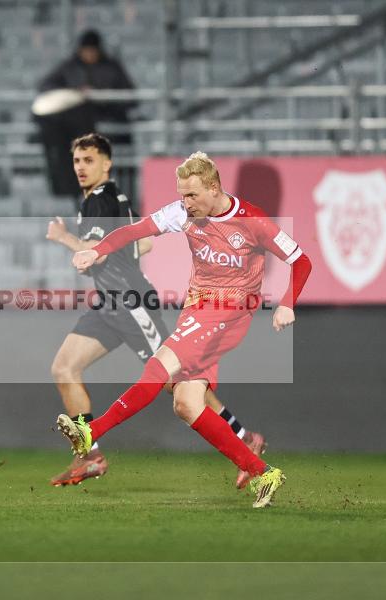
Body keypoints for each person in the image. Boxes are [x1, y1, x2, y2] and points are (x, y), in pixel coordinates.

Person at [57, 152, 312, 509]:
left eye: (192, 196)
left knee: (159, 366)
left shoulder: (253, 221)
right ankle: (262, 472)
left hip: (229, 310)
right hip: (199, 309)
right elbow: (136, 230)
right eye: (182, 195)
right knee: (186, 404)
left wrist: (287, 303)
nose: (185, 203)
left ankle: (91, 432)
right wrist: (97, 251)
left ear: (213, 188)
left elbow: (301, 260)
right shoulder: (183, 213)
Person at [36, 30, 136, 196]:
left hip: (110, 133)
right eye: (86, 51)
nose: (89, 55)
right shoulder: (69, 67)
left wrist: (101, 97)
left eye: (92, 51)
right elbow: (45, 87)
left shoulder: (112, 68)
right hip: (78, 133)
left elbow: (129, 97)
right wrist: (74, 94)